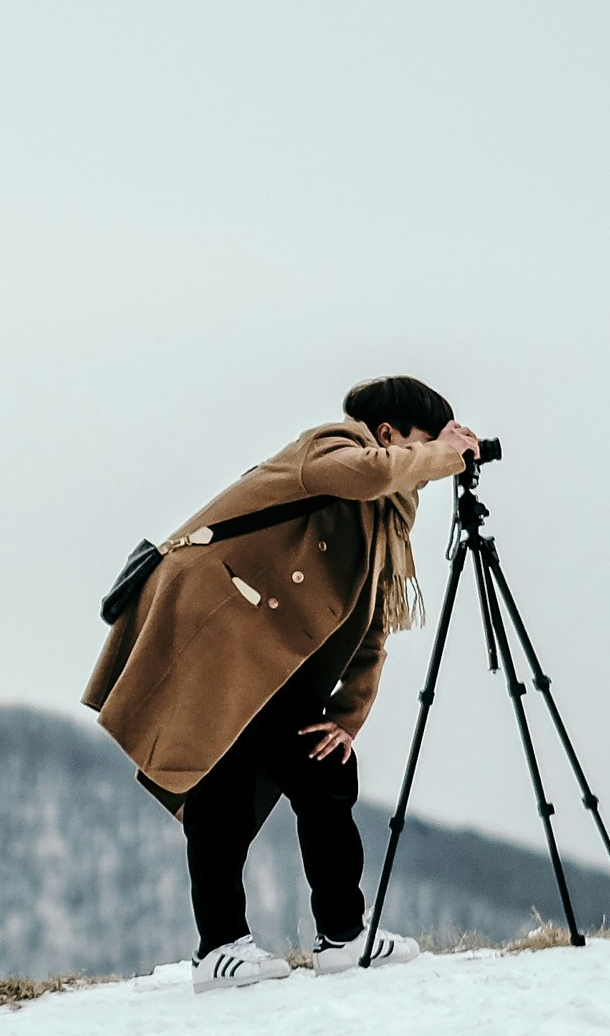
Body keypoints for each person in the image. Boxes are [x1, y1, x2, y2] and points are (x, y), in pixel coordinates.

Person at [83, 377, 478, 990]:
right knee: (222, 784)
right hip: (215, 624)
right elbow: (369, 473)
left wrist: (347, 718)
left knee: (325, 768)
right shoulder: (327, 449)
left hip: (271, 656)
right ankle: (219, 949)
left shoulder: (385, 522)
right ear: (387, 435)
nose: (429, 471)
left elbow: (370, 623)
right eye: (425, 447)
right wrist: (448, 452)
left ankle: (344, 938)